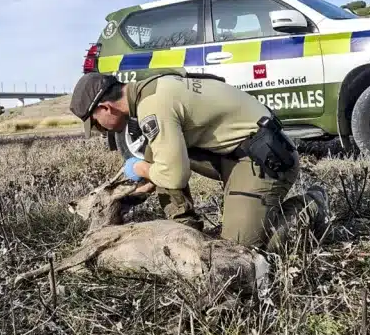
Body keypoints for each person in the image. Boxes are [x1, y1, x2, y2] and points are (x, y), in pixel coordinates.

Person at [69, 70, 329, 253]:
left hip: (265, 160)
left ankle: (312, 204)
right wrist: (144, 180)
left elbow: (173, 176)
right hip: (235, 152)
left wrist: (139, 168)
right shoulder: (151, 87)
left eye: (95, 124)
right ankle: (187, 231)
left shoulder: (153, 105)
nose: (101, 131)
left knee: (241, 250)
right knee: (156, 154)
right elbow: (162, 156)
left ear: (106, 108)